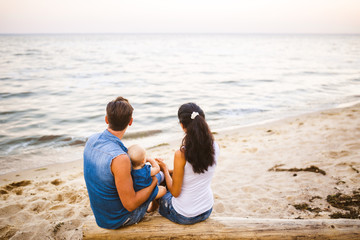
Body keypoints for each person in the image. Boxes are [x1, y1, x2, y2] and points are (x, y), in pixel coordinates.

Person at [83, 96, 158, 229]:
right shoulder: (120, 158)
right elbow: (130, 204)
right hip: (118, 220)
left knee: (148, 172)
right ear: (130, 122)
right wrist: (154, 184)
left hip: (101, 216)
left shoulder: (92, 140)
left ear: (106, 119)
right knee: (157, 177)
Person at [156, 102, 220, 225]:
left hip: (184, 215)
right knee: (168, 177)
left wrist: (164, 168)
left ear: (182, 125)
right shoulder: (215, 147)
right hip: (206, 209)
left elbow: (175, 192)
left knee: (160, 187)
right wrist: (169, 171)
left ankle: (151, 211)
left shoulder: (181, 154)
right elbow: (192, 173)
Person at [127, 144, 167, 211]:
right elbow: (157, 169)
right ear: (143, 161)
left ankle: (151, 206)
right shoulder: (146, 171)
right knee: (163, 189)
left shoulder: (129, 170)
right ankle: (154, 206)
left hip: (137, 193)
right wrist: (151, 160)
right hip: (147, 193)